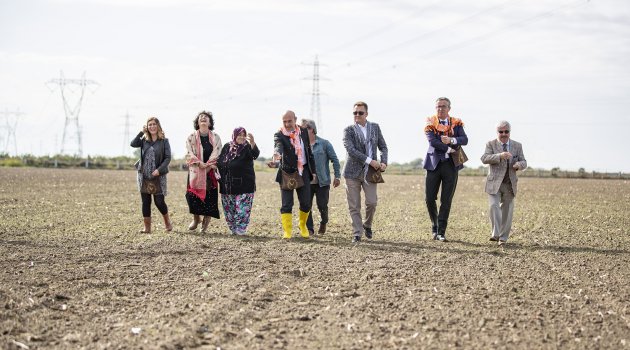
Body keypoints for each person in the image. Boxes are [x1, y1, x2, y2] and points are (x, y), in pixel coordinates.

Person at [422, 97, 468, 242]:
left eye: (443, 106)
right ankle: (434, 225)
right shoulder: (430, 122)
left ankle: (441, 231)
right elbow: (432, 141)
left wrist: (452, 140)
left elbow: (464, 139)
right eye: (438, 106)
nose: (440, 109)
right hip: (433, 163)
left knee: (446, 199)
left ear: (449, 108)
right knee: (429, 198)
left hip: (451, 166)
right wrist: (449, 148)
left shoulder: (456, 123)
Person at [342, 101, 388, 243]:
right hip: (351, 173)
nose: (357, 115)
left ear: (366, 114)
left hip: (370, 172)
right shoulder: (348, 130)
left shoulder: (375, 127)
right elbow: (351, 151)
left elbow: (383, 146)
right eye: (355, 112)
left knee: (372, 202)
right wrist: (370, 160)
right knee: (354, 205)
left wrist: (384, 161)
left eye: (360, 112)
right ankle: (357, 233)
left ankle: (367, 225)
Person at [267, 110, 316, 239]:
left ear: (295, 119)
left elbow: (309, 152)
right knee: (287, 204)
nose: (287, 124)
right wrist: (276, 157)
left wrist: (313, 171)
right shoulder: (279, 134)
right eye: (285, 121)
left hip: (303, 170)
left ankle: (303, 226)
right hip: (287, 172)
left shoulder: (303, 132)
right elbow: (278, 147)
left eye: (290, 121)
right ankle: (287, 231)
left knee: (306, 203)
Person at [480, 120, 527, 246]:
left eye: (506, 131)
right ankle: (495, 234)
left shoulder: (518, 146)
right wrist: (499, 156)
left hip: (510, 183)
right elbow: (484, 158)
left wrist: (519, 165)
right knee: (493, 206)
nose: (504, 134)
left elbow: (524, 162)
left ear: (510, 132)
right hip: (494, 182)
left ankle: (503, 238)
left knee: (507, 210)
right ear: (497, 132)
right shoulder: (490, 144)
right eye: (501, 132)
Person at [130, 117, 172, 233]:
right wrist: (141, 132)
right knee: (146, 201)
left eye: (154, 124)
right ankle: (147, 228)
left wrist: (159, 170)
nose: (152, 126)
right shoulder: (143, 140)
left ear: (158, 126)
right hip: (143, 175)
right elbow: (133, 144)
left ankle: (167, 222)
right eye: (150, 125)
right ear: (147, 127)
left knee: (159, 201)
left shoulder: (164, 141)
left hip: (158, 175)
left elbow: (168, 158)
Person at [300, 118, 341, 235]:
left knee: (322, 205)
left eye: (303, 129)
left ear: (311, 129)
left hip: (322, 182)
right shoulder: (301, 145)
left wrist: (337, 176)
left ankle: (323, 222)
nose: (301, 131)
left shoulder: (324, 143)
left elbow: (335, 160)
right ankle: (310, 229)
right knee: (306, 206)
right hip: (306, 182)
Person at [217, 127, 260, 236]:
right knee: (229, 210)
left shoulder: (247, 147)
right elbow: (220, 161)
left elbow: (255, 154)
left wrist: (253, 143)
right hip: (227, 185)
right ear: (234, 135)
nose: (241, 137)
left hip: (245, 185)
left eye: (243, 134)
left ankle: (241, 229)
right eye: (239, 134)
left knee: (242, 210)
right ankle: (233, 229)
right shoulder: (227, 146)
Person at [185, 111, 222, 233]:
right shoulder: (191, 137)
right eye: (201, 117)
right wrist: (199, 163)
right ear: (197, 123)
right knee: (192, 196)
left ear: (210, 123)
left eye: (206, 117)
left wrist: (208, 166)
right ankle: (196, 219)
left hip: (210, 169)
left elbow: (217, 152)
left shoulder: (216, 137)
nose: (203, 118)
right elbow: (189, 153)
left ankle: (205, 224)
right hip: (195, 170)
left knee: (210, 199)